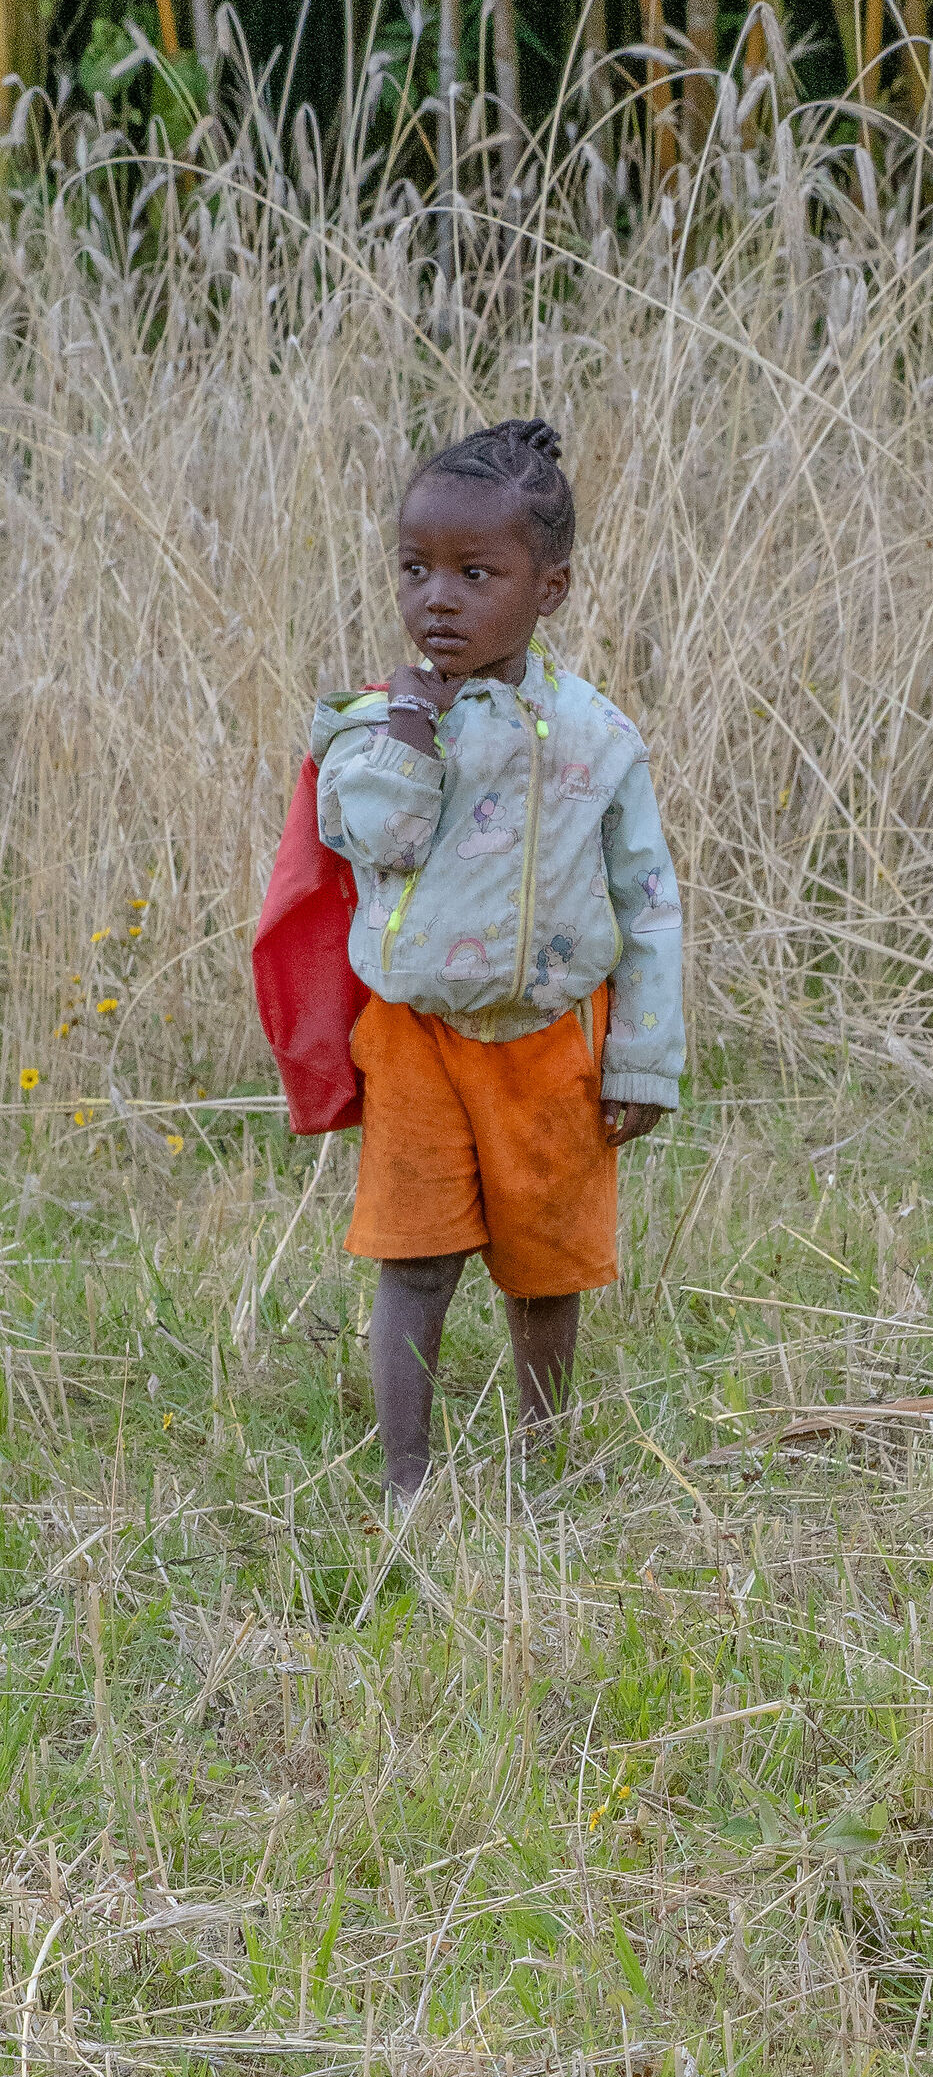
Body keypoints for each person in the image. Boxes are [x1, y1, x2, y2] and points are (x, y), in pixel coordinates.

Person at [314, 418, 684, 1496]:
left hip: (552, 1043)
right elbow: (368, 841)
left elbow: (648, 903)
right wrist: (410, 737)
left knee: (544, 1269)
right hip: (421, 1038)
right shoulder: (377, 725)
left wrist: (643, 1061)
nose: (439, 598)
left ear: (549, 588)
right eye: (416, 569)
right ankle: (407, 1478)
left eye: (476, 573)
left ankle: (541, 1460)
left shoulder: (598, 737)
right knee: (415, 1260)